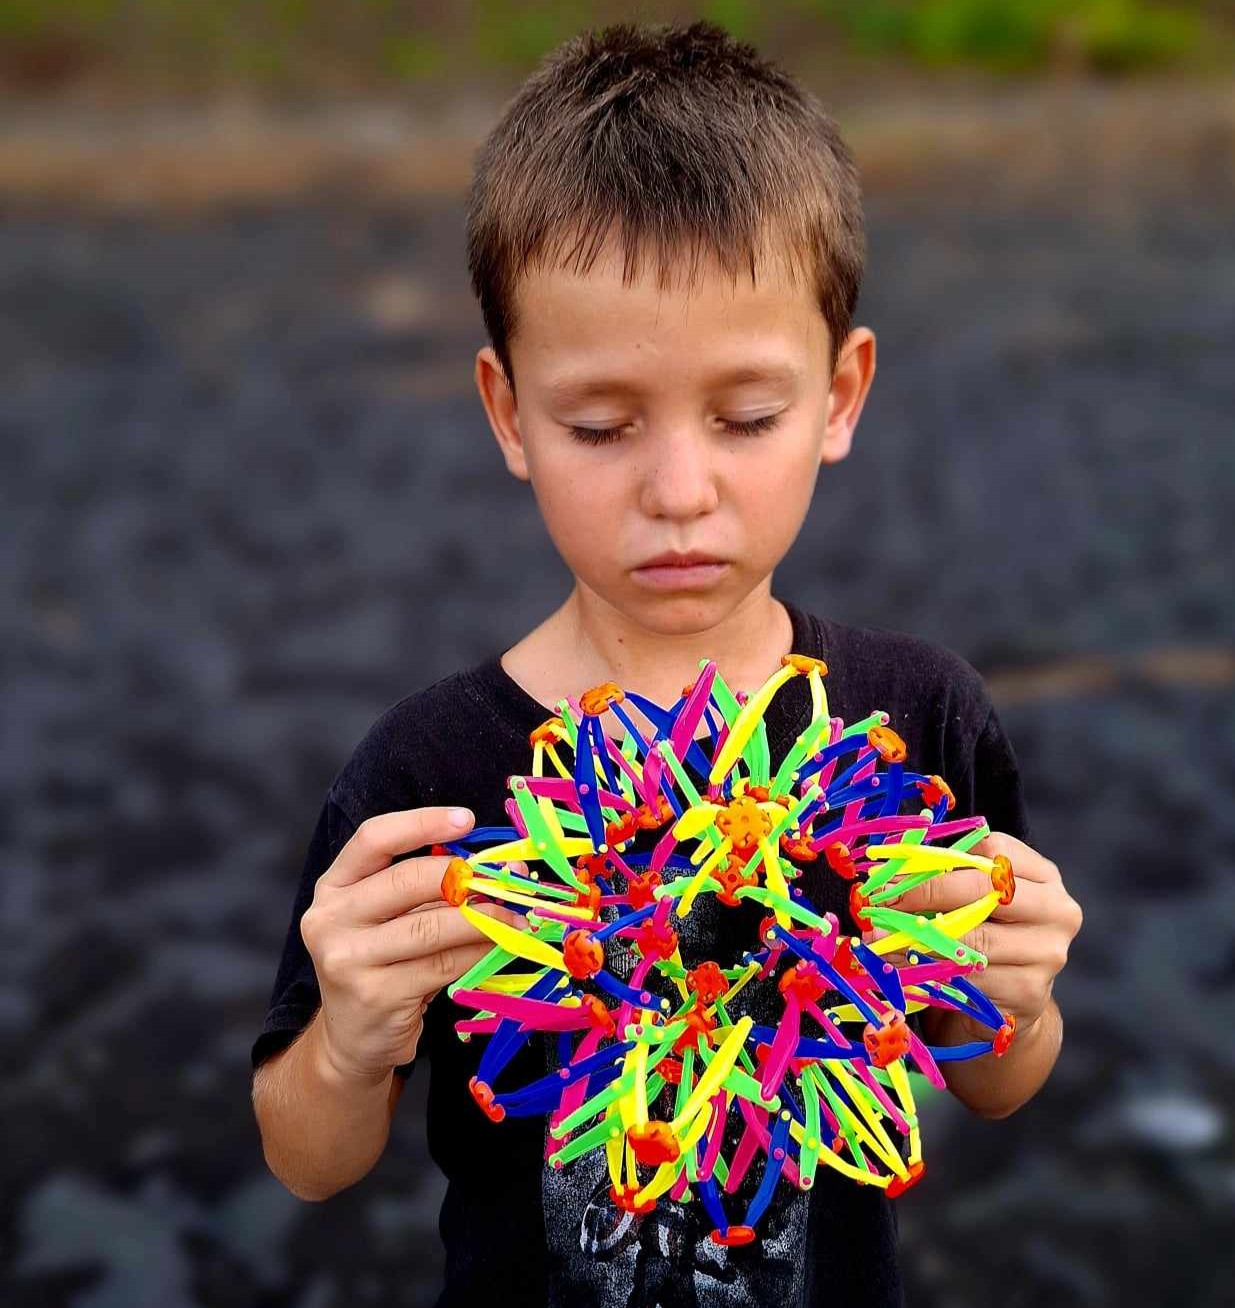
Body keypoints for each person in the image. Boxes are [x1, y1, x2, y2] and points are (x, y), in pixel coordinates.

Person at [250, 20, 1083, 1308]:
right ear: (507, 414)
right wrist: (351, 1040)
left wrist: (1019, 1006)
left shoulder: (919, 719)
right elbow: (305, 1162)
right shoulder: (427, 774)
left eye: (748, 417)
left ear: (842, 396)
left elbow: (995, 1075)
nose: (680, 492)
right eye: (599, 425)